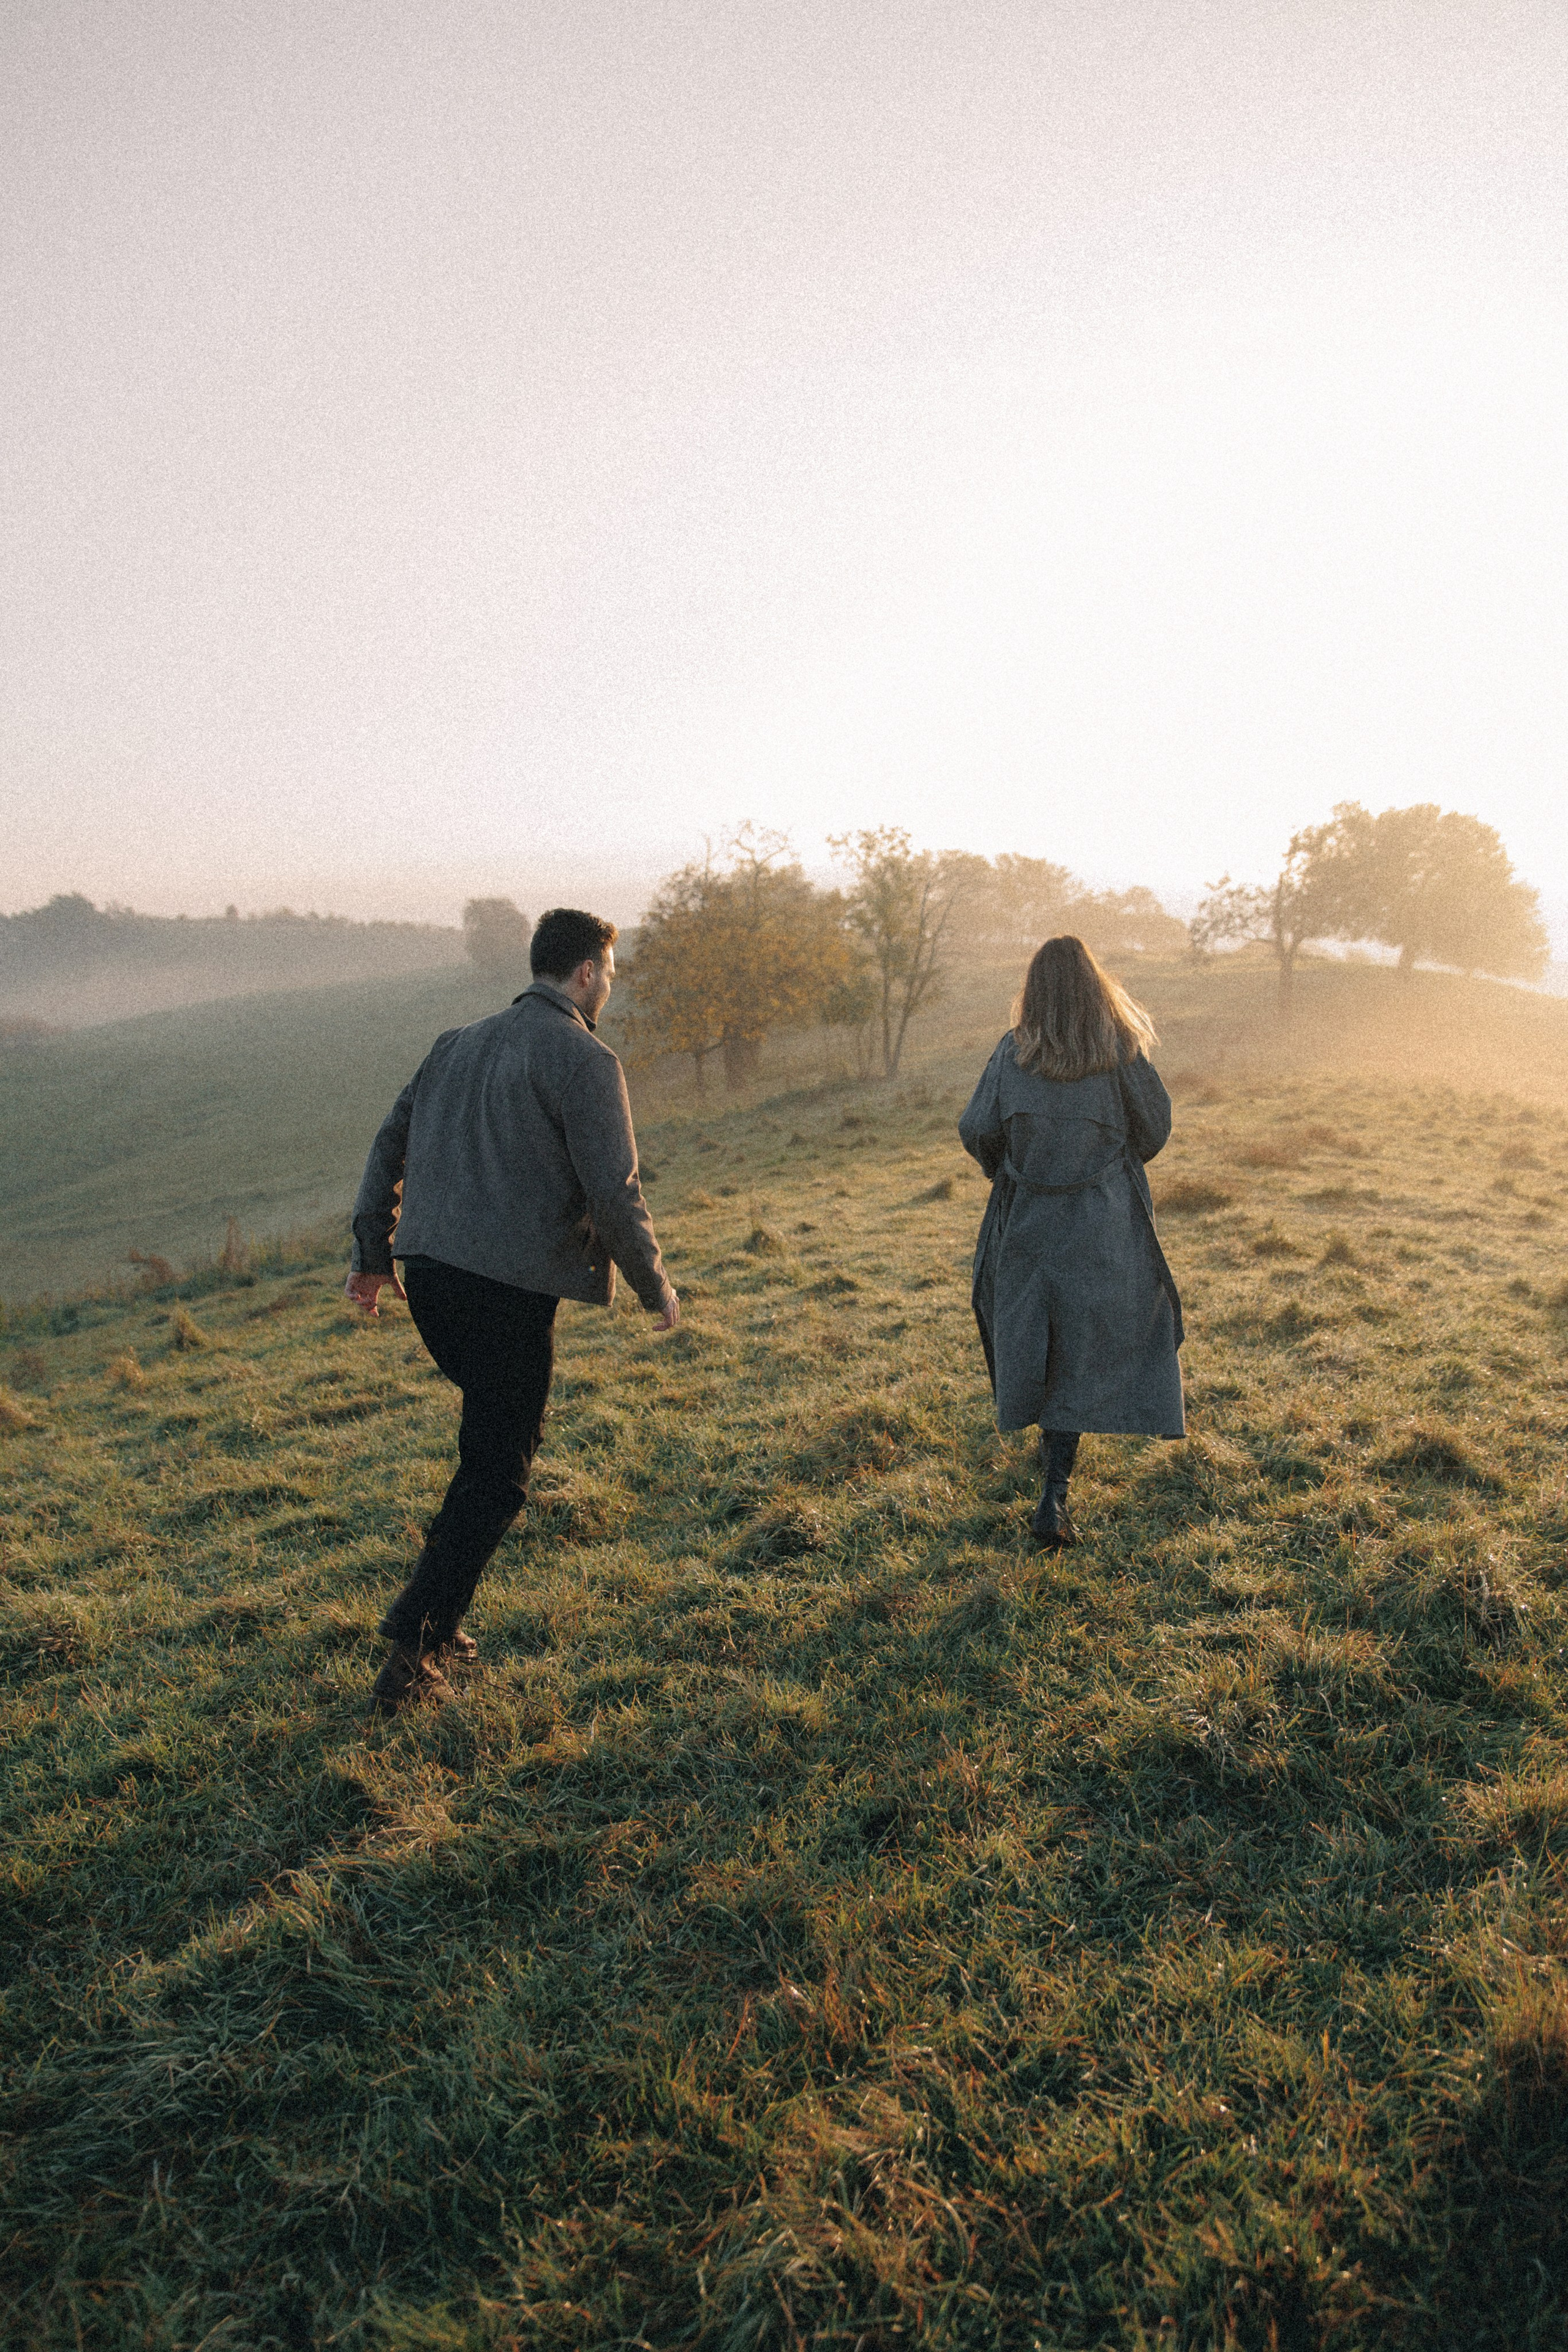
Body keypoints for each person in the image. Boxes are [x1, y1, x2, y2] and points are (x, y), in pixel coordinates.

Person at [345, 907, 679, 1712]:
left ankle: (439, 1618)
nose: (612, 984)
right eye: (611, 969)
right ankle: (415, 1647)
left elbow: (386, 1145)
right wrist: (655, 1284)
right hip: (503, 1291)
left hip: (429, 1278)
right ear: (587, 973)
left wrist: (371, 1255)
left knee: (485, 1452)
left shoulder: (453, 1045)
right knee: (499, 1472)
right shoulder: (586, 1059)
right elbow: (614, 1190)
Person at [958, 935, 1183, 1547]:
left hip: (1028, 1224)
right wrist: (1110, 1167)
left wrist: (1013, 1171)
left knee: (1040, 1339)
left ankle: (1051, 1485)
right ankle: (1053, 1494)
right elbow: (1155, 1128)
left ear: (1034, 993)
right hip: (1103, 1225)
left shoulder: (1011, 1055)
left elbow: (977, 1131)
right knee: (1084, 1345)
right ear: (1095, 988)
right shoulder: (1121, 1053)